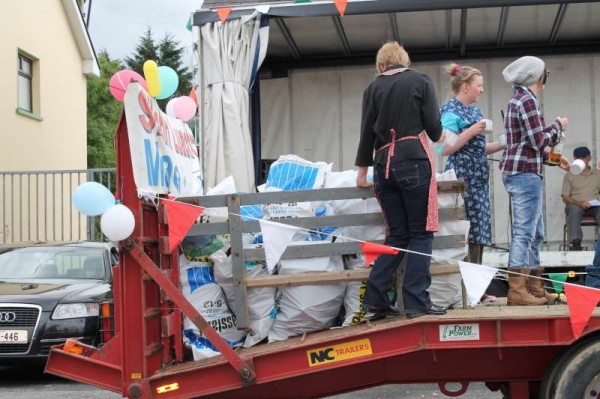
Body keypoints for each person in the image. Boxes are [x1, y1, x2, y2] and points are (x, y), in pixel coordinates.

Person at [355, 41, 446, 320]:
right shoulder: (420, 80)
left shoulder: (372, 88)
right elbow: (433, 129)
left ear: (382, 66)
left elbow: (366, 135)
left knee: (396, 235)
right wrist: (444, 135)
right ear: (404, 62)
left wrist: (362, 173)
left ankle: (375, 301)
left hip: (382, 165)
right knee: (420, 234)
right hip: (413, 160)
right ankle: (417, 302)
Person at [500, 55, 569, 306]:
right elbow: (538, 140)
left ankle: (534, 287)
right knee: (525, 233)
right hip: (524, 175)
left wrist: (553, 159)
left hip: (523, 171)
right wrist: (558, 126)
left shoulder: (518, 99)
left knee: (534, 232)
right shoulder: (526, 101)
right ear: (538, 76)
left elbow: (528, 143)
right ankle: (519, 290)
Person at [440, 64, 505, 267]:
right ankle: (465, 283)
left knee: (479, 230)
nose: (482, 89)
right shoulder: (450, 111)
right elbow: (445, 148)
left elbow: (477, 149)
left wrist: (504, 144)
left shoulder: (475, 111)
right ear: (466, 86)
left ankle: (476, 282)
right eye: (479, 85)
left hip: (478, 182)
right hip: (462, 181)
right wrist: (470, 131)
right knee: (464, 229)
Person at [561, 146, 600, 250]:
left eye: (583, 157)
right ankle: (575, 243)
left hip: (594, 205)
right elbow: (565, 197)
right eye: (578, 158)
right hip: (576, 205)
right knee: (574, 210)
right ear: (574, 158)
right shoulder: (570, 175)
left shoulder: (597, 174)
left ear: (589, 158)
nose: (581, 160)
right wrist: (579, 203)